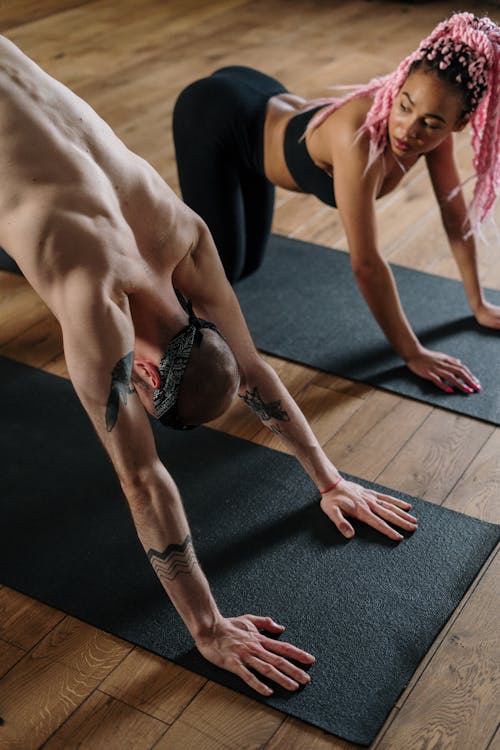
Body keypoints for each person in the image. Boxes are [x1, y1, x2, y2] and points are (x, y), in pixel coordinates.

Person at [0, 35, 418, 697]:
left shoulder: (181, 232)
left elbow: (248, 367)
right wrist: (207, 626)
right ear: (148, 378)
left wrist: (330, 478)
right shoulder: (94, 295)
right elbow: (143, 479)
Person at [173, 12, 500, 395]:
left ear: (458, 125)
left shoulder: (434, 132)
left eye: (430, 123)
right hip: (216, 116)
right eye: (405, 105)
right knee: (218, 274)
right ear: (399, 84)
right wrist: (411, 352)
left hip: (260, 107)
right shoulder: (358, 140)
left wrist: (478, 303)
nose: (408, 130)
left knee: (248, 266)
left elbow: (453, 215)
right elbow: (365, 264)